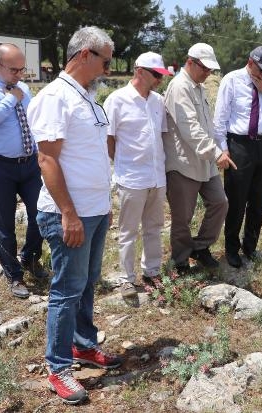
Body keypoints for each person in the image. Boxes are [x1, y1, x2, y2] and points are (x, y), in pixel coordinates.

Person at [27, 26, 122, 405]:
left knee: (87, 283)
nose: (108, 69)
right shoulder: (55, 98)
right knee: (67, 290)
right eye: (105, 61)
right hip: (69, 214)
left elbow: (92, 156)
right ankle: (58, 366)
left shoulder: (89, 99)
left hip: (94, 211)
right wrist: (69, 213)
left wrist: (105, 204)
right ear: (84, 55)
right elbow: (47, 159)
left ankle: (83, 344)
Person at [0, 43, 47, 299]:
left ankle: (30, 258)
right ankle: (14, 275)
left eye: (22, 69)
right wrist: (10, 99)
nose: (20, 75)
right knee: (4, 223)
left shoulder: (23, 88)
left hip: (30, 164)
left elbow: (33, 120)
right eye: (14, 70)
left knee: (41, 214)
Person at [104, 52, 173, 298]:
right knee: (128, 231)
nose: (160, 80)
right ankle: (126, 278)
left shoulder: (158, 101)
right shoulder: (116, 100)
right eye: (156, 75)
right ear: (140, 71)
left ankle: (151, 271)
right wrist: (123, 163)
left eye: (162, 75)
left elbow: (160, 136)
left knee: (154, 227)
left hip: (156, 176)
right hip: (132, 178)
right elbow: (108, 139)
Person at [162, 43, 235, 273]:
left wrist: (219, 149)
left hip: (205, 160)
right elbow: (190, 128)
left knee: (220, 203)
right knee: (183, 216)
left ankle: (200, 246)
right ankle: (180, 259)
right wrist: (215, 153)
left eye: (210, 69)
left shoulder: (199, 87)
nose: (208, 73)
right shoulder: (179, 87)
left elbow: (206, 126)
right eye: (204, 68)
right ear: (190, 62)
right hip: (183, 163)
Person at [213, 46, 262, 268]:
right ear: (250, 62)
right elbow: (220, 119)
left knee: (258, 200)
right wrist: (223, 149)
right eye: (261, 70)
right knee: (236, 200)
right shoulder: (231, 80)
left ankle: (250, 246)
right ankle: (231, 248)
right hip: (239, 145)